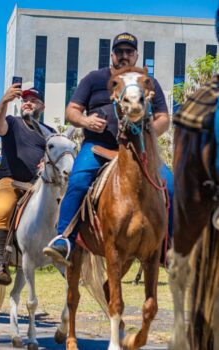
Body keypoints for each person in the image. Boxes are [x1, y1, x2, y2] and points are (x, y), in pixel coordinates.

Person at [43, 33, 174, 264]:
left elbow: (164, 117)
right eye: (120, 51)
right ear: (112, 54)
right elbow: (72, 110)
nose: (124, 56)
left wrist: (148, 132)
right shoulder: (94, 78)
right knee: (79, 181)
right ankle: (64, 239)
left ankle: (171, 245)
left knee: (170, 184)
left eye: (129, 52)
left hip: (139, 151)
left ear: (136, 55)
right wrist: (85, 121)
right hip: (99, 148)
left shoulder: (148, 82)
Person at [0, 86, 56, 285]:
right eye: (25, 99)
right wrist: (4, 101)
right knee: (1, 211)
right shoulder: (12, 122)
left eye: (33, 100)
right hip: (10, 181)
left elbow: (55, 156)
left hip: (37, 186)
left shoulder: (50, 132)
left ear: (42, 106)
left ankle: (62, 252)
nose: (28, 102)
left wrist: (47, 161)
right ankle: (1, 265)